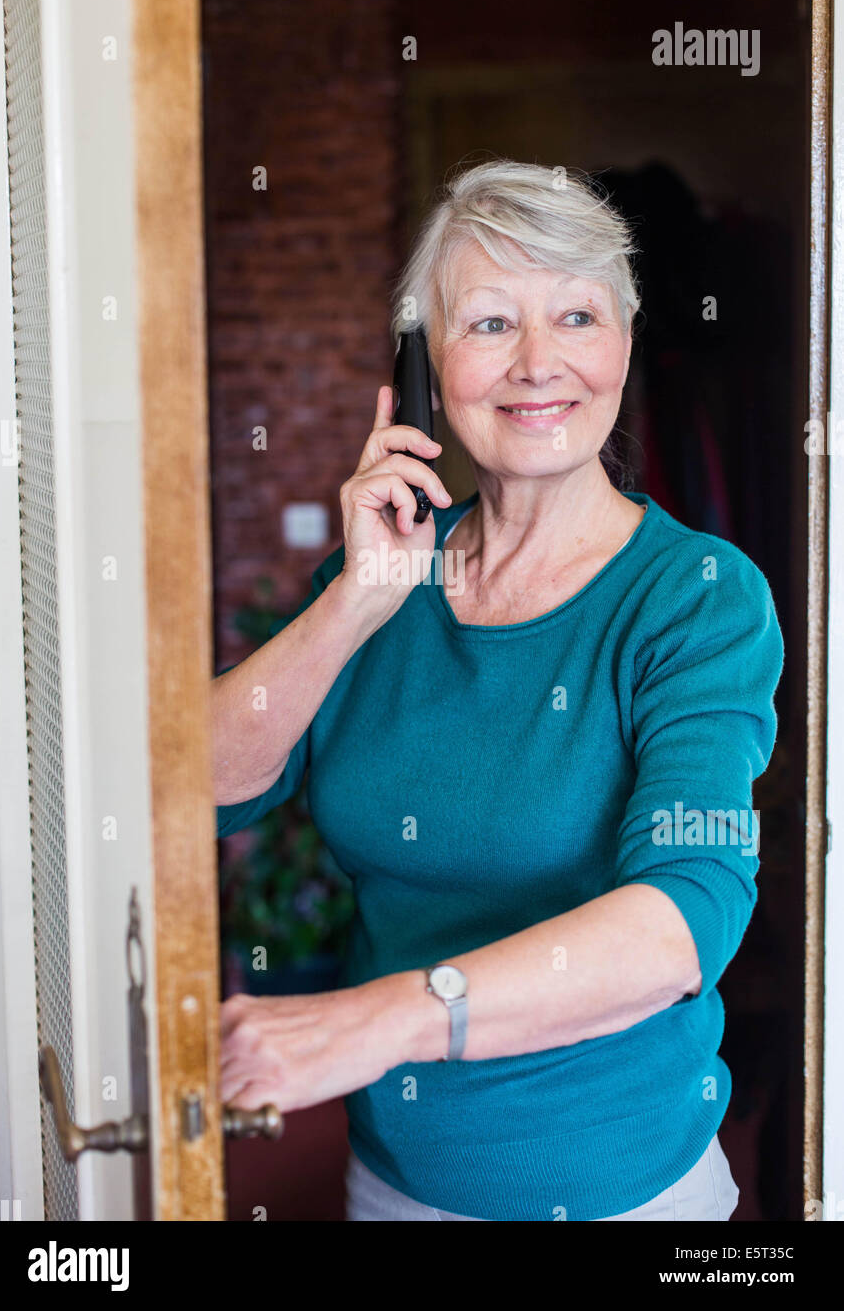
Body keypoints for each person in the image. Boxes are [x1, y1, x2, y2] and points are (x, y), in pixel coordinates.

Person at [213, 159, 784, 1221]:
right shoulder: (378, 580)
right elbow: (198, 790)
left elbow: (679, 924)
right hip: (390, 1179)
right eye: (486, 324)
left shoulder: (694, 600)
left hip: (623, 1193)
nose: (538, 364)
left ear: (622, 342)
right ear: (420, 368)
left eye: (575, 314)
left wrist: (381, 1020)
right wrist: (353, 606)